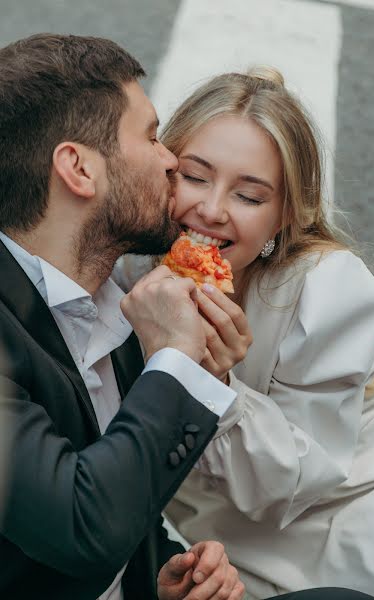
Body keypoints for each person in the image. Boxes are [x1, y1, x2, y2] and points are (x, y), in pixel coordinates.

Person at [122, 67, 374, 599]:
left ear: (284, 218)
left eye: (249, 197)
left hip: (341, 480)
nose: (210, 209)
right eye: (195, 176)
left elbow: (291, 485)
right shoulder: (134, 262)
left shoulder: (326, 291)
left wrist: (215, 383)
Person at [0, 33, 247, 600]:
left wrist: (161, 574)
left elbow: (117, 499)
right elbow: (80, 525)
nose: (172, 161)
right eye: (152, 136)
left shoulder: (114, 301)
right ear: (79, 169)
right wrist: (178, 360)